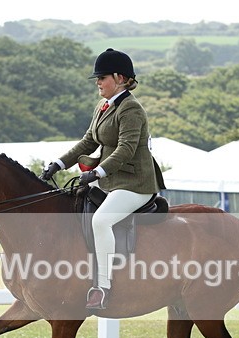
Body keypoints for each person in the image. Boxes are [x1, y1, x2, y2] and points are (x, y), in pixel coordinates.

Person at [39, 48, 160, 310]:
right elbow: (88, 141)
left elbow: (125, 150)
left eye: (102, 78)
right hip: (110, 181)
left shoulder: (131, 109)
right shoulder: (103, 106)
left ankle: (102, 287)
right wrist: (58, 164)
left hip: (134, 183)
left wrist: (97, 172)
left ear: (119, 78)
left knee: (101, 220)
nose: (97, 83)